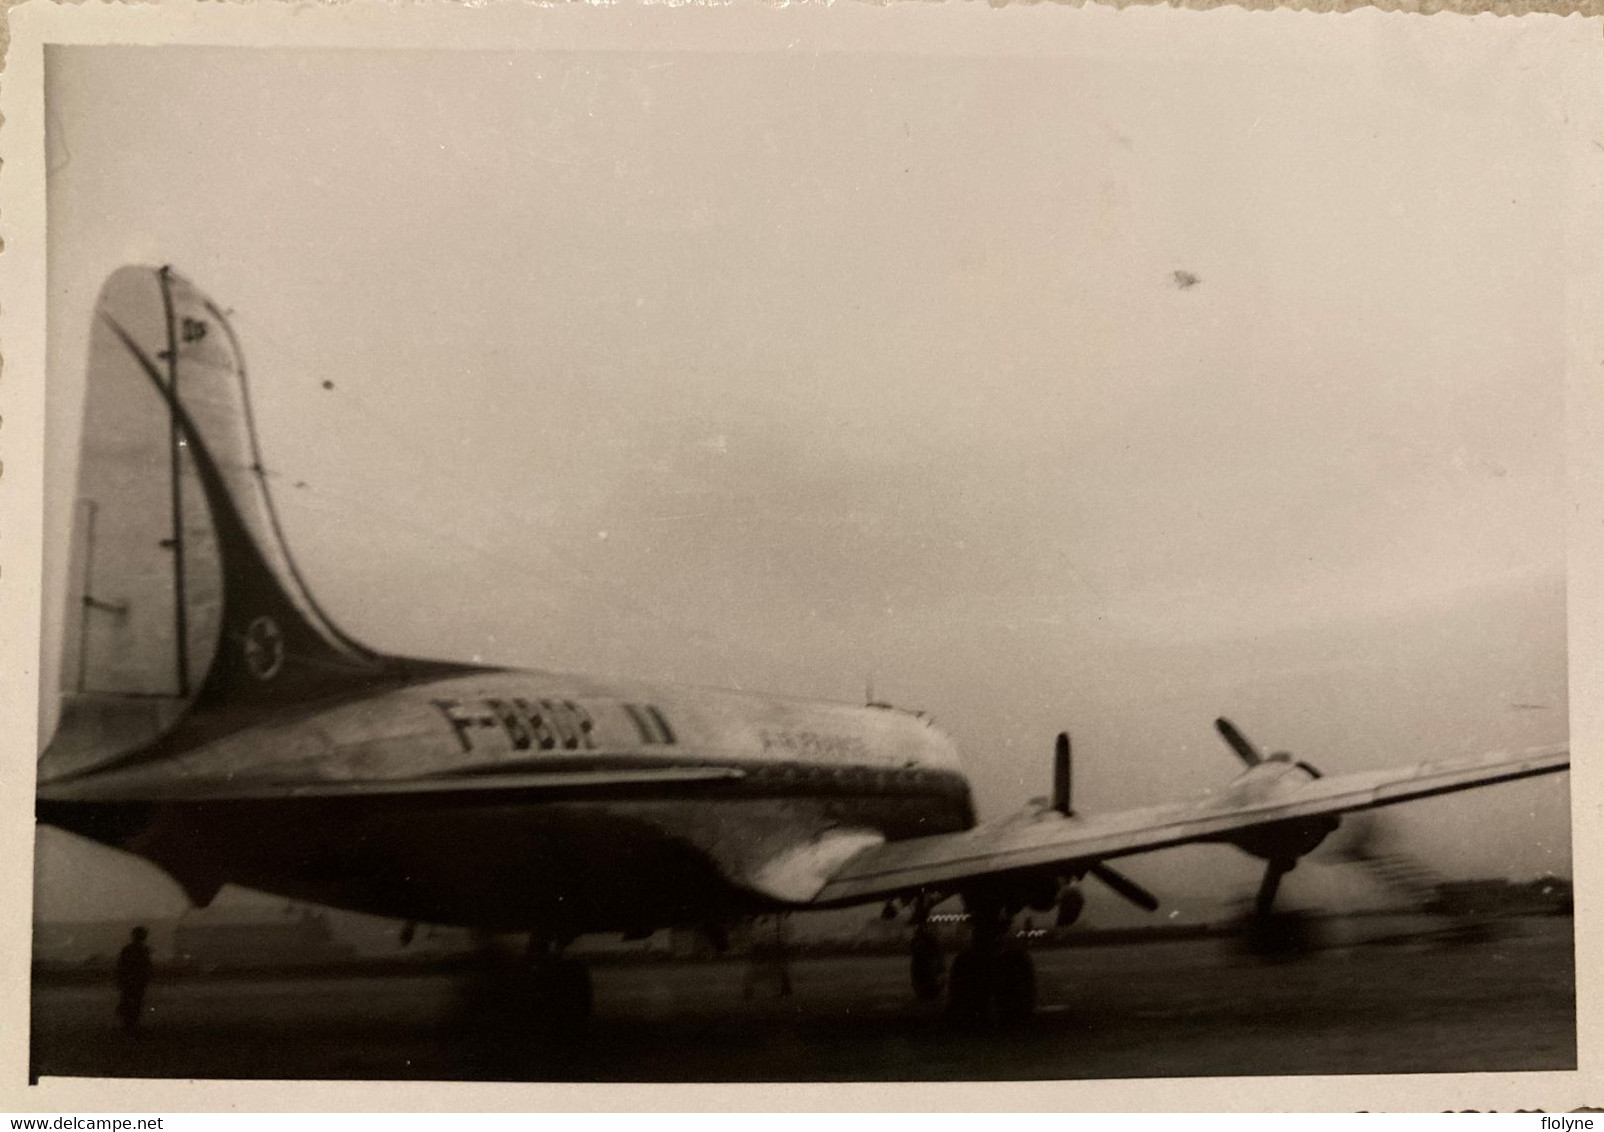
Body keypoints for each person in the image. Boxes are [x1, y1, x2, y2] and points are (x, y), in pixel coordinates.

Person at [114, 926, 153, 1032]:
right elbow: (146, 966)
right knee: (136, 1002)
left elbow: (121, 966)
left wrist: (121, 980)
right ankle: (131, 1023)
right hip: (137, 981)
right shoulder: (143, 950)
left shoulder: (127, 949)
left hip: (130, 981)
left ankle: (128, 1024)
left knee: (129, 1002)